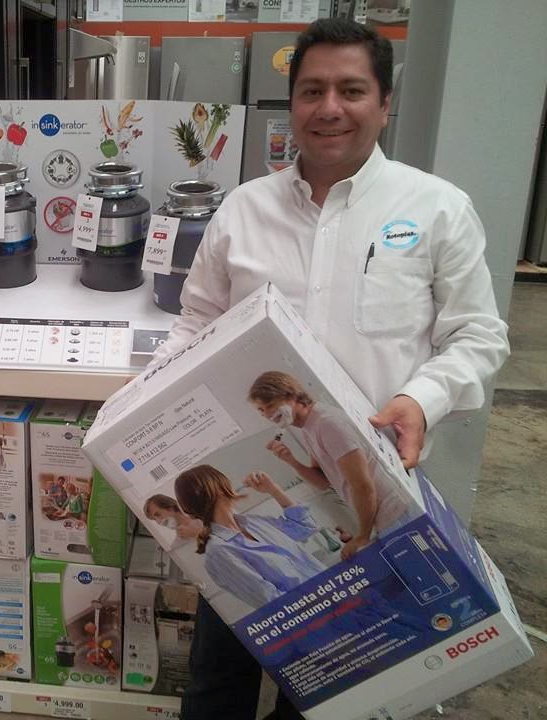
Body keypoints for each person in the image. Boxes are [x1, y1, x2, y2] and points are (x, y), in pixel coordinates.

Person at [151, 18, 509, 720]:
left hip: (370, 499)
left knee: (332, 681)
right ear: (292, 104)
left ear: (384, 103)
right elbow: (195, 323)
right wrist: (144, 406)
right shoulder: (243, 210)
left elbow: (477, 334)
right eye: (312, 90)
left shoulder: (436, 209)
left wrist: (422, 398)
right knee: (218, 675)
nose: (330, 108)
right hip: (250, 506)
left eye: (351, 90)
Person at [248, 371, 416, 560]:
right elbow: (324, 482)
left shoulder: (327, 424)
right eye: (261, 410)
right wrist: (291, 460)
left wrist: (362, 536)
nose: (267, 414)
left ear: (291, 396)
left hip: (396, 515)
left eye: (270, 405)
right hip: (385, 519)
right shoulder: (309, 428)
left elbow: (362, 486)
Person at [173, 466, 324, 609]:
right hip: (321, 614)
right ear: (217, 490)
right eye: (225, 481)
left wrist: (273, 489)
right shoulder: (219, 552)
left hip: (332, 592)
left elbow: (305, 528)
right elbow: (274, 602)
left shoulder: (253, 522)